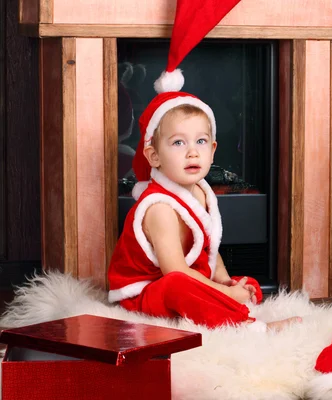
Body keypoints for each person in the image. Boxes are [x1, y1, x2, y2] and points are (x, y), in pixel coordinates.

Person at [107, 0, 301, 332]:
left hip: (183, 276)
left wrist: (224, 281)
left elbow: (209, 246)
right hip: (146, 292)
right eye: (178, 143)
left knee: (246, 283)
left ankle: (228, 302)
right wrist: (221, 293)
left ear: (213, 150)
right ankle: (249, 327)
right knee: (181, 288)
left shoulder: (201, 190)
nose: (192, 153)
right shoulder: (159, 208)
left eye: (200, 143)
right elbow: (175, 273)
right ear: (154, 156)